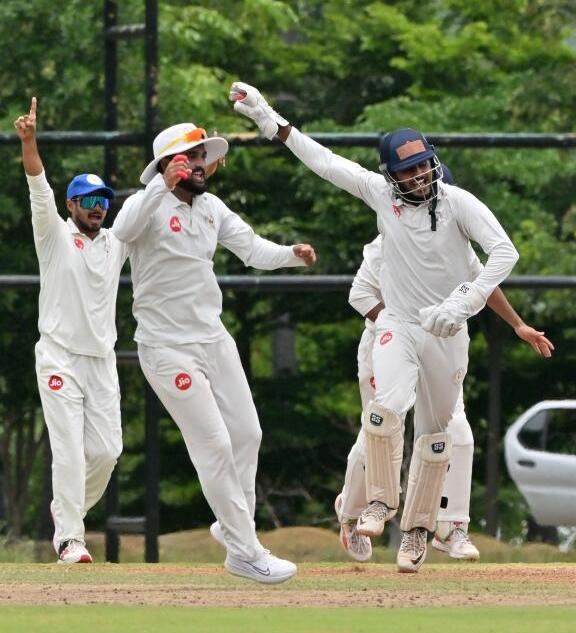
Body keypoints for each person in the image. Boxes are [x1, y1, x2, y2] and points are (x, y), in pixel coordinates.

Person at [229, 81, 518, 573]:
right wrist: (267, 118)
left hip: (447, 335)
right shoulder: (380, 196)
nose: (421, 176)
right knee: (384, 410)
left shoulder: (458, 202)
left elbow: (505, 253)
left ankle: (419, 531)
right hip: (399, 325)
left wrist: (464, 304)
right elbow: (323, 161)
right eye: (409, 171)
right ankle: (379, 502)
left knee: (439, 435)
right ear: (393, 175)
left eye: (424, 164)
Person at [111, 121, 317, 584]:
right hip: (166, 348)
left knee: (247, 434)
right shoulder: (146, 205)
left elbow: (250, 250)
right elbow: (122, 231)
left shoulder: (212, 208)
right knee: (215, 445)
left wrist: (291, 254)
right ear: (168, 164)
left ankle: (230, 527)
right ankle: (245, 551)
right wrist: (158, 187)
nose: (201, 165)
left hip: (212, 338)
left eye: (203, 157)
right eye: (190, 157)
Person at [336, 235, 553, 563]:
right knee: (381, 429)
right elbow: (360, 294)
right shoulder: (387, 241)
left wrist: (518, 325)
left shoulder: (454, 241)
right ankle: (352, 513)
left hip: (442, 345)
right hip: (387, 342)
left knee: (457, 434)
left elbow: (483, 283)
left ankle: (449, 526)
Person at [15, 97, 130, 564]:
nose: (96, 208)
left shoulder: (116, 243)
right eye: (87, 201)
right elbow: (38, 184)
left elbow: (147, 206)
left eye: (102, 201)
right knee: (66, 450)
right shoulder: (55, 234)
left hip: (101, 361)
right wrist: (29, 141)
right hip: (59, 355)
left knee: (106, 452)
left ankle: (67, 512)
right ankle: (70, 539)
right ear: (71, 206)